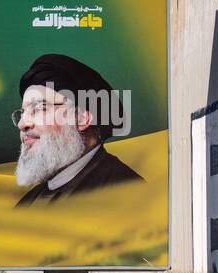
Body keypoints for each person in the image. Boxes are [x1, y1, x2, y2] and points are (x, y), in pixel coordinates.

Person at [12, 53, 143, 206]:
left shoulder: (129, 194)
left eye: (40, 108)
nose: (22, 124)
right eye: (22, 113)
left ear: (81, 118)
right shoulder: (28, 202)